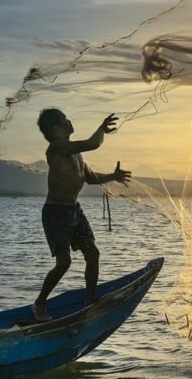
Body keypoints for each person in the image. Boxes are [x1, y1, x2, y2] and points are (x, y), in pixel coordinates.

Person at [32, 108, 131, 322]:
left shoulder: (76, 153)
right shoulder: (57, 148)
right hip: (56, 213)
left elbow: (91, 178)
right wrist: (102, 129)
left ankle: (89, 302)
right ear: (56, 128)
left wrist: (113, 176)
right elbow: (93, 143)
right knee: (64, 263)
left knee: (92, 254)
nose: (69, 121)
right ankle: (40, 303)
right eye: (65, 119)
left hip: (74, 211)